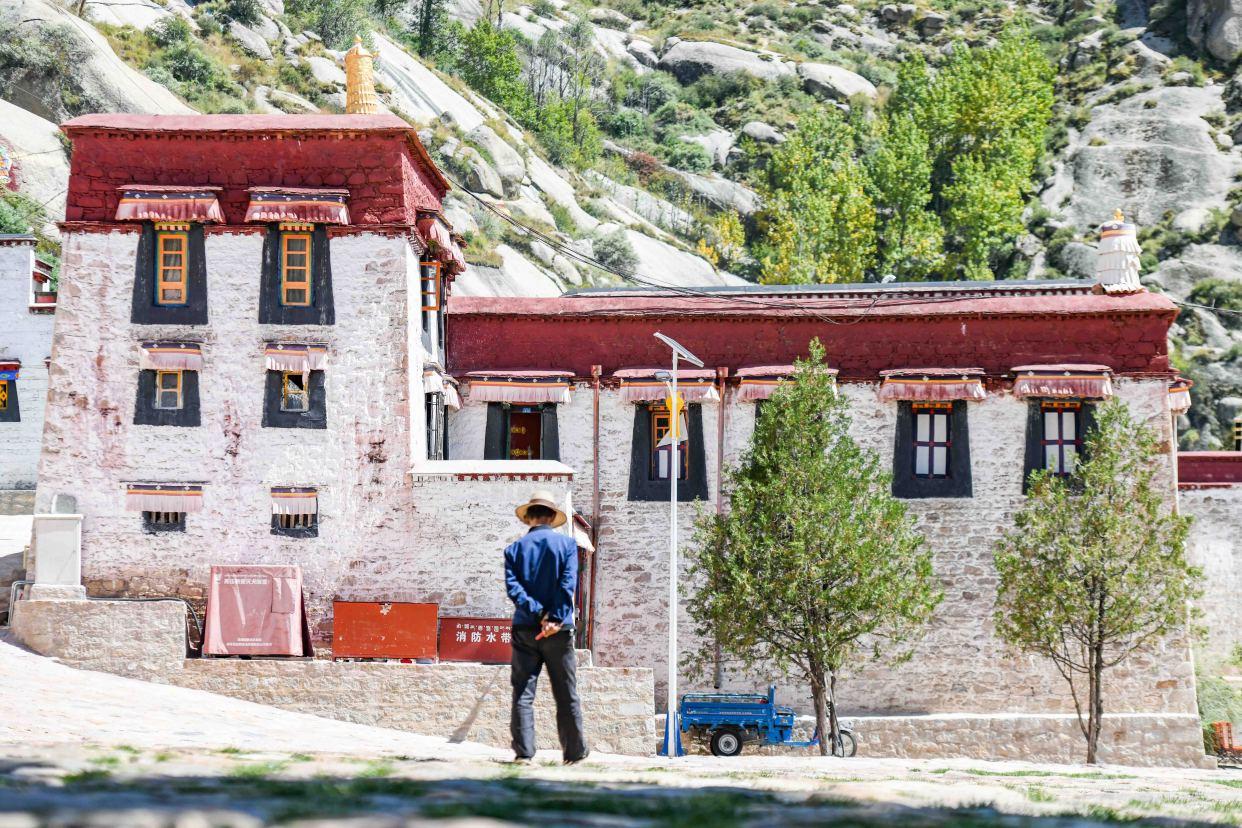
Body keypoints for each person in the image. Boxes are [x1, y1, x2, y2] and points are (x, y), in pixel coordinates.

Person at [504, 490, 589, 765]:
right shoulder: (566, 546)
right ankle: (574, 753)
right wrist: (554, 617)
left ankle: (524, 753)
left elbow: (514, 590)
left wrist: (539, 613)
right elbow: (567, 585)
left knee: (523, 692)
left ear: (528, 517)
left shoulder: (513, 550)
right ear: (552, 517)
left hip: (526, 628)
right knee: (565, 692)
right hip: (558, 630)